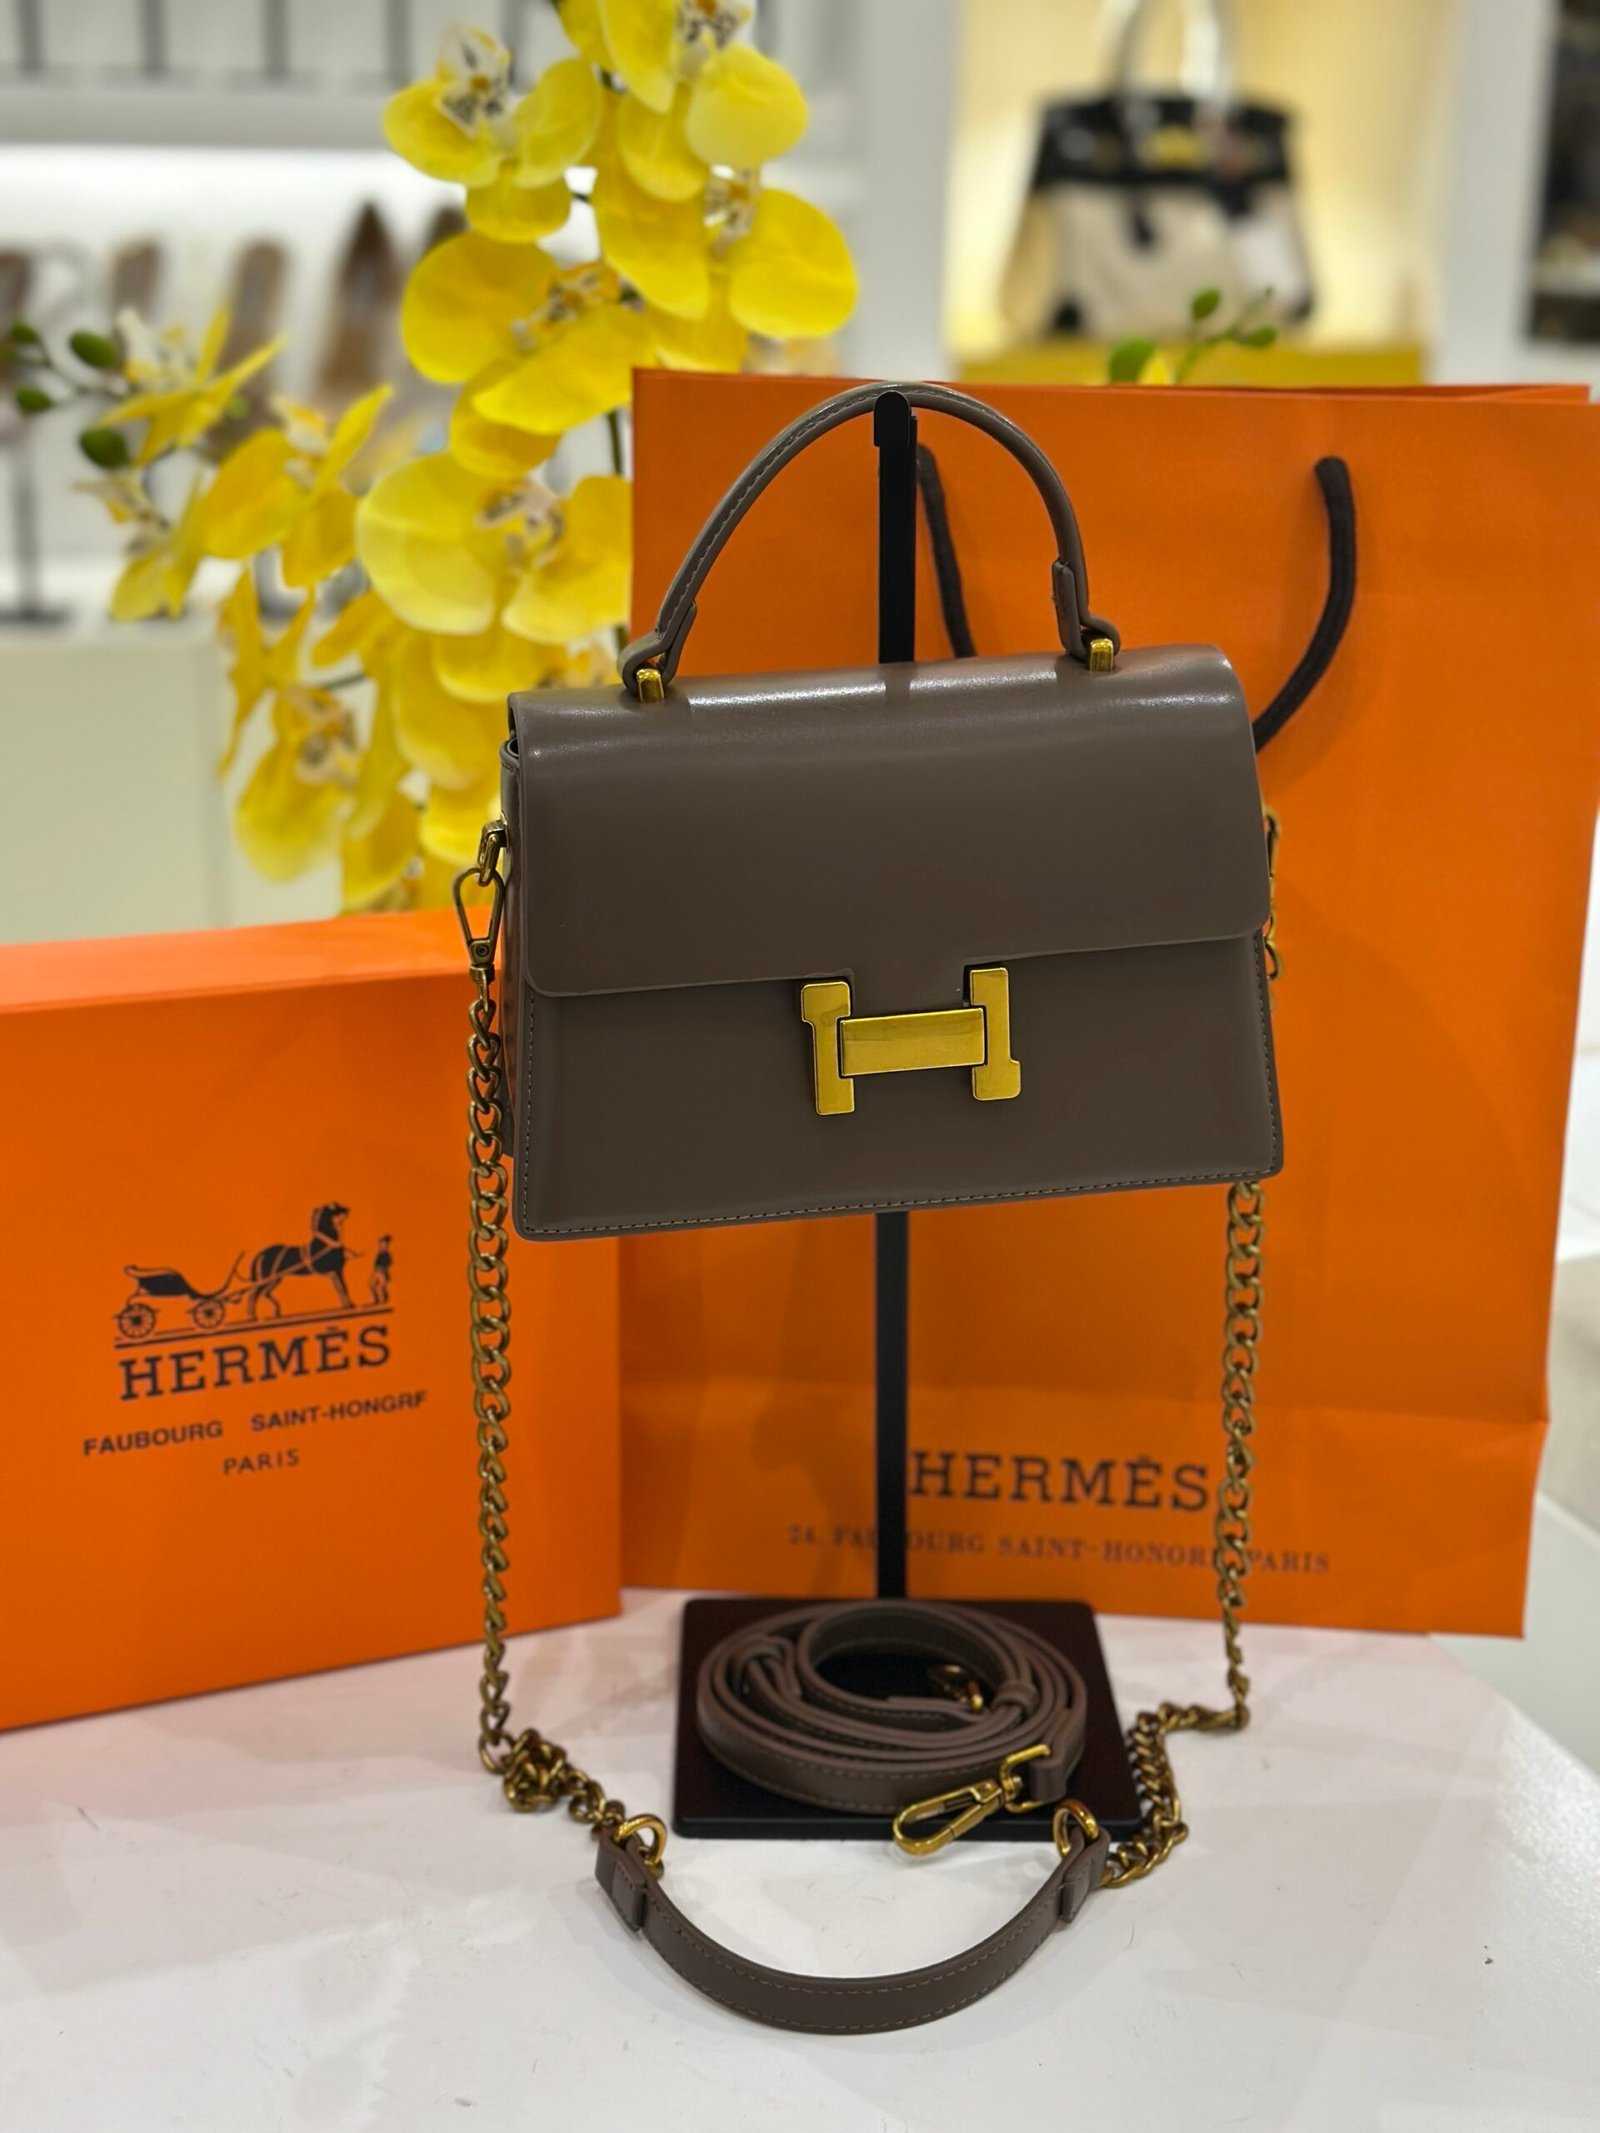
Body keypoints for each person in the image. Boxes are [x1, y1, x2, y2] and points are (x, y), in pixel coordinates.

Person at [370, 1233, 393, 1306]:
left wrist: (383, 1269)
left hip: (382, 1272)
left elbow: (389, 1263)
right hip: (376, 1271)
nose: (380, 1246)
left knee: (381, 1287)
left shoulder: (386, 1254)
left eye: (383, 1244)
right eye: (380, 1244)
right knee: (371, 1285)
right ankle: (376, 1300)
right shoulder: (379, 1253)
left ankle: (383, 1300)